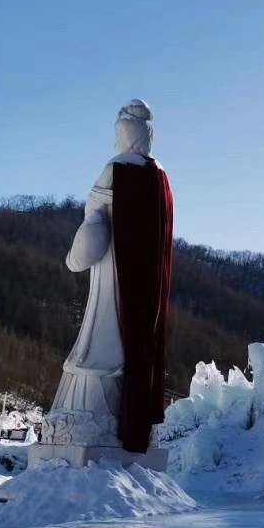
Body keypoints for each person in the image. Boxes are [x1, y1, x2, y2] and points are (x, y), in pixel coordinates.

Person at [44, 99, 174, 456]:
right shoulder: (160, 178)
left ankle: (91, 425)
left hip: (112, 280)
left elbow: (93, 233)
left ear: (124, 134)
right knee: (136, 344)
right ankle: (136, 427)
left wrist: (72, 259)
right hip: (146, 293)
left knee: (100, 341)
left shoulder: (115, 170)